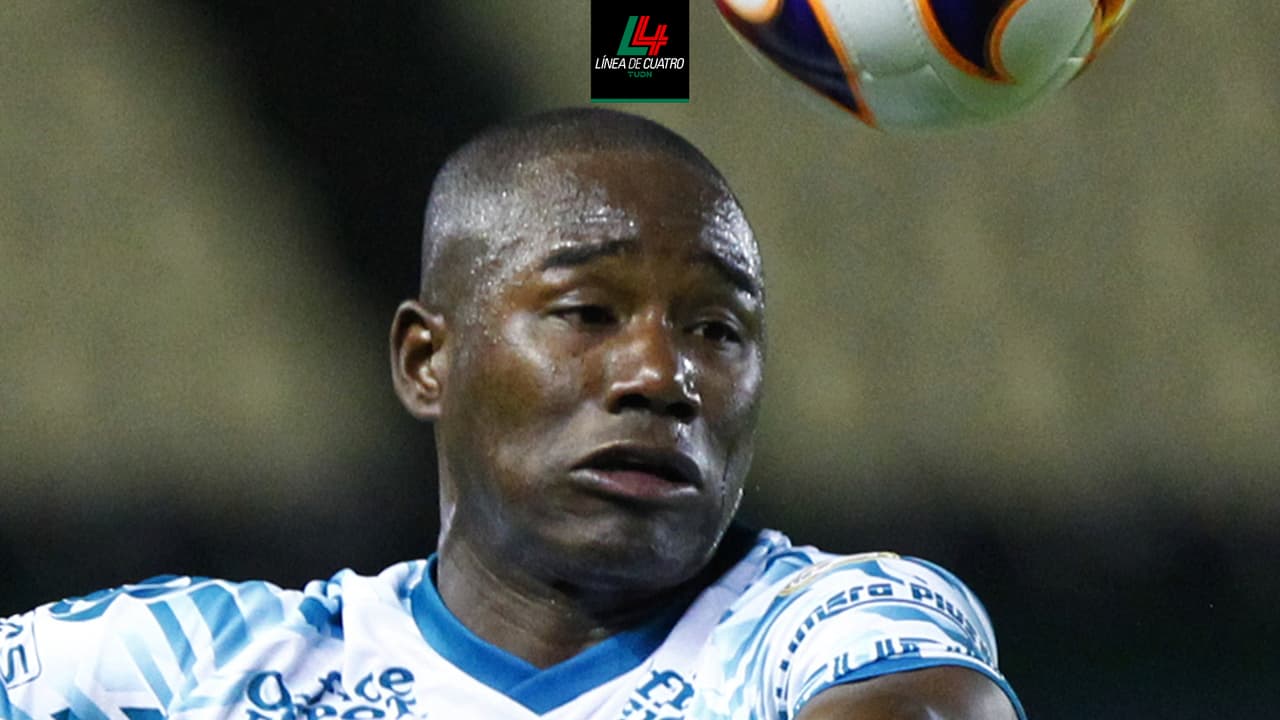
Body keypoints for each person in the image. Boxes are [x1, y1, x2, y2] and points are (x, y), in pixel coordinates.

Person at [0, 108, 1025, 720]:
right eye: (588, 313)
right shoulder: (202, 665)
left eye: (716, 329)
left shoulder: (823, 624)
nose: (661, 375)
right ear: (426, 361)